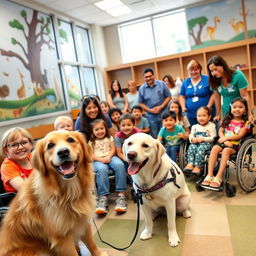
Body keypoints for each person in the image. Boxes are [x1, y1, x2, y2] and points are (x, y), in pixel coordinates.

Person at [201, 98, 250, 191]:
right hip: (224, 142)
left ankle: (219, 176)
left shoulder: (245, 123)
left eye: (240, 107)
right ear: (231, 109)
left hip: (235, 145)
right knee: (215, 148)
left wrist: (227, 138)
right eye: (234, 107)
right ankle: (209, 174)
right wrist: (223, 140)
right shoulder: (227, 120)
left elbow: (240, 135)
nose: (237, 109)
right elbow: (220, 130)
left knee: (226, 150)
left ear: (245, 110)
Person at [89, 119, 127, 215]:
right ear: (92, 132)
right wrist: (101, 160)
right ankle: (103, 198)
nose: (100, 131)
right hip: (98, 160)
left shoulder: (110, 138)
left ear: (105, 129)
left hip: (111, 157)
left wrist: (108, 157)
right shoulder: (91, 142)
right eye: (96, 129)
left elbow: (113, 149)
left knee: (120, 165)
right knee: (101, 170)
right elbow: (91, 155)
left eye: (102, 128)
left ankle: (121, 195)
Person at [207, 55, 253, 122]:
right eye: (211, 71)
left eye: (215, 69)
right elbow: (217, 98)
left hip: (240, 111)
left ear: (222, 65)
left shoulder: (238, 75)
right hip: (227, 112)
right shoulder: (213, 80)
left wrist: (249, 114)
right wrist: (218, 114)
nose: (214, 73)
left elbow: (245, 96)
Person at [179, 59, 214, 126]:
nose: (193, 72)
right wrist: (183, 107)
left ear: (200, 69)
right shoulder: (186, 82)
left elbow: (214, 94)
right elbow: (182, 96)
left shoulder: (207, 79)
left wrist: (209, 106)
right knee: (194, 133)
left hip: (206, 114)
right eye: (191, 70)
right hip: (191, 114)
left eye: (196, 69)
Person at [139, 68, 171, 138]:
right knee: (155, 136)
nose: (148, 78)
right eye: (146, 77)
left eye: (150, 76)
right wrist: (150, 110)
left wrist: (161, 106)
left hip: (163, 114)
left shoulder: (162, 84)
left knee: (165, 135)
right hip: (151, 117)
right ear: (144, 78)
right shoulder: (141, 89)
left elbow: (169, 96)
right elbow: (140, 103)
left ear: (153, 75)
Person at [184, 106, 216, 176]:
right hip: (196, 143)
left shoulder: (212, 125)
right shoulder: (194, 127)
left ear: (209, 117)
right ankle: (190, 164)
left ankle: (198, 166)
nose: (201, 118)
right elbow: (191, 135)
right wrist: (192, 139)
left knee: (200, 148)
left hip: (206, 144)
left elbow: (213, 137)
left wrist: (203, 139)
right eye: (199, 116)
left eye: (204, 116)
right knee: (191, 147)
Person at [0, 127, 34, 192]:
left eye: (24, 142)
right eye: (14, 145)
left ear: (30, 144)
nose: (20, 147)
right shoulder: (7, 166)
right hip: (20, 200)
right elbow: (26, 190)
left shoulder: (34, 157)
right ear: (6, 150)